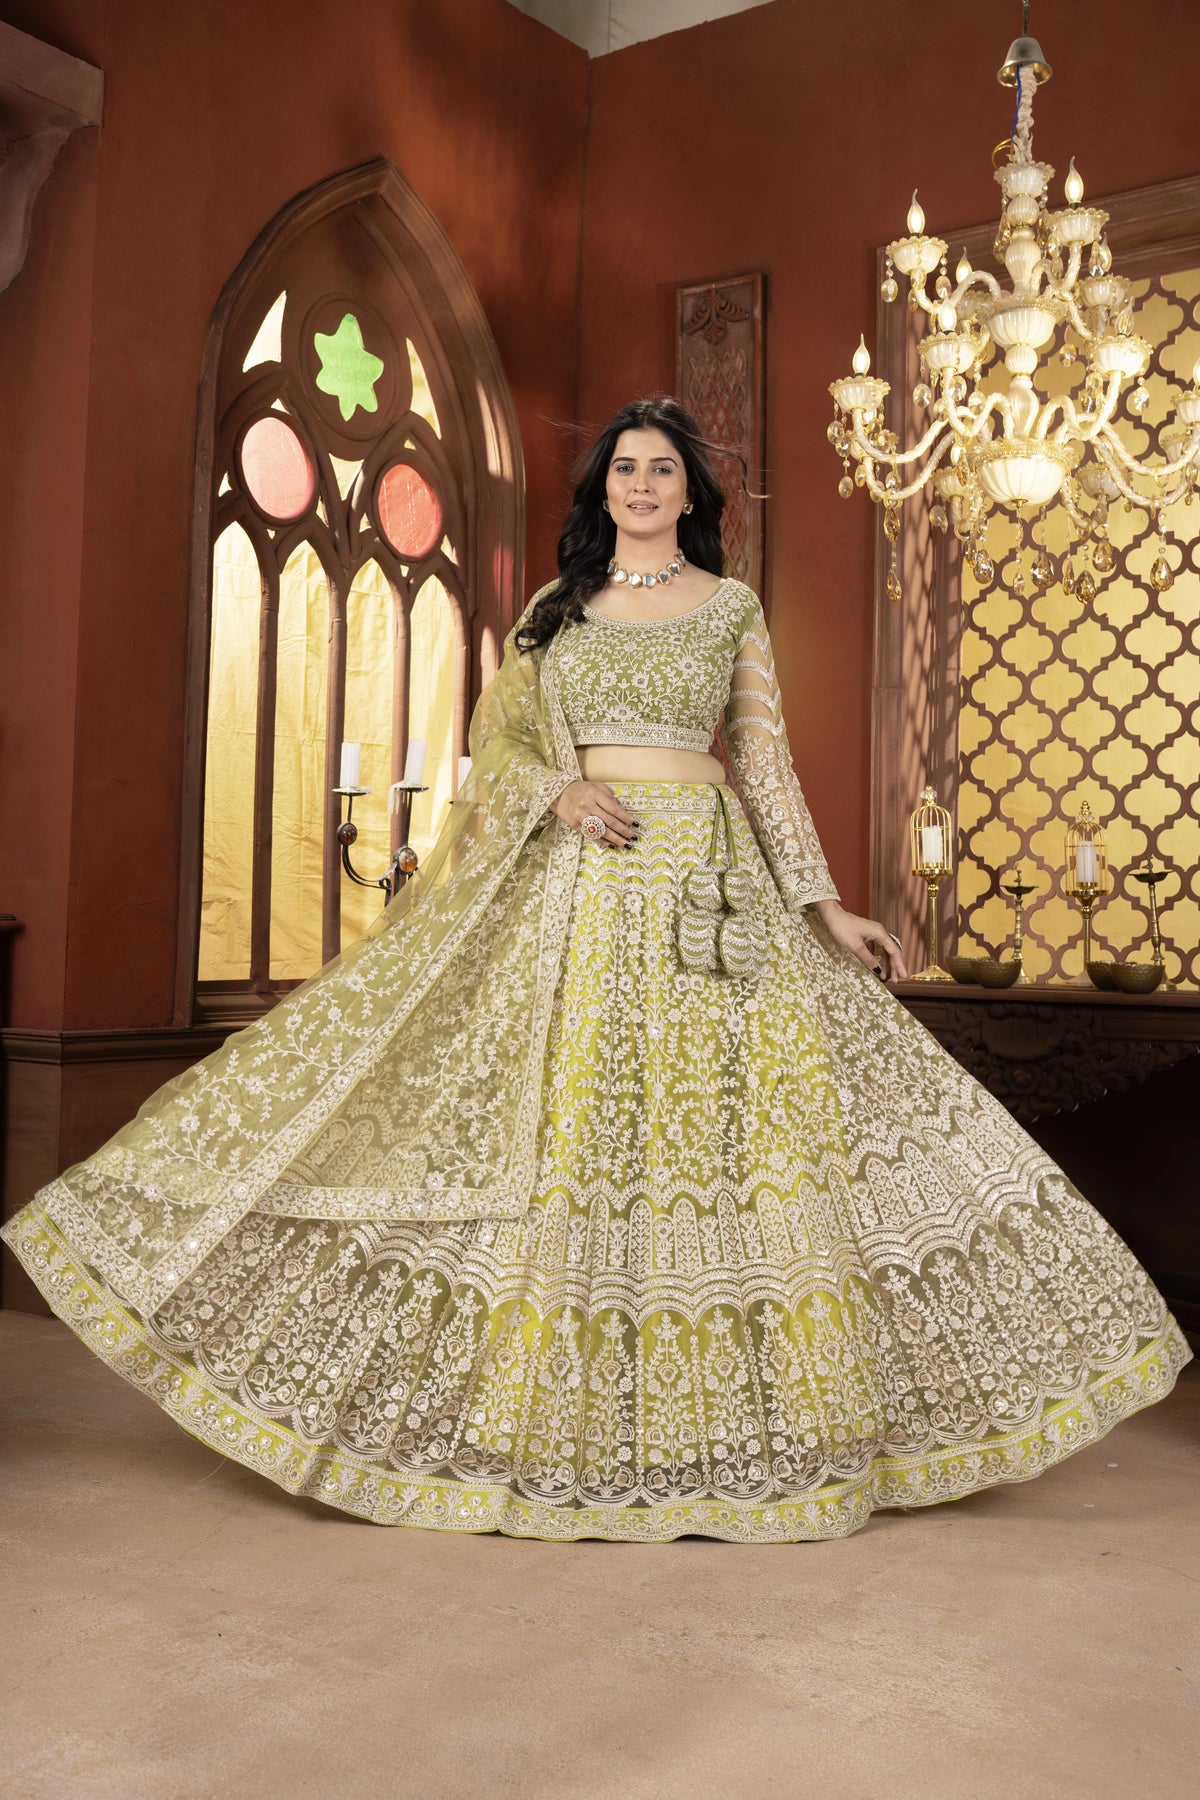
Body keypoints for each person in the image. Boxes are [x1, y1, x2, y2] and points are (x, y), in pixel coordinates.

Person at [3, 397, 1187, 1542]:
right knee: (574, 1129)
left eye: (661, 469)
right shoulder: (553, 616)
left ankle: (733, 1429)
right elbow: (498, 744)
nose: (640, 484)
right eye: (623, 469)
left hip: (710, 896)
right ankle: (547, 1429)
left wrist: (825, 905)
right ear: (601, 492)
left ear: (691, 493)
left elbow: (765, 763)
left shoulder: (731, 608)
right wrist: (558, 788)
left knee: (732, 1134)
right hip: (575, 890)